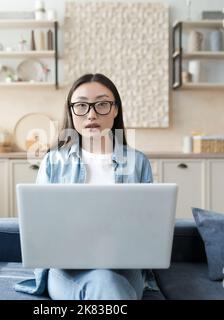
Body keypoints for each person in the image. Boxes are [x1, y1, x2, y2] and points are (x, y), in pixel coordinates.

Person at [14, 73, 157, 300]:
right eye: (81, 105)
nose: (91, 114)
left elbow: (150, 229)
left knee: (107, 280)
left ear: (115, 109)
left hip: (125, 269)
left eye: (101, 104)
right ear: (71, 111)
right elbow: (39, 231)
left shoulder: (138, 162)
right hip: (67, 270)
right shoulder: (53, 162)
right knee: (104, 283)